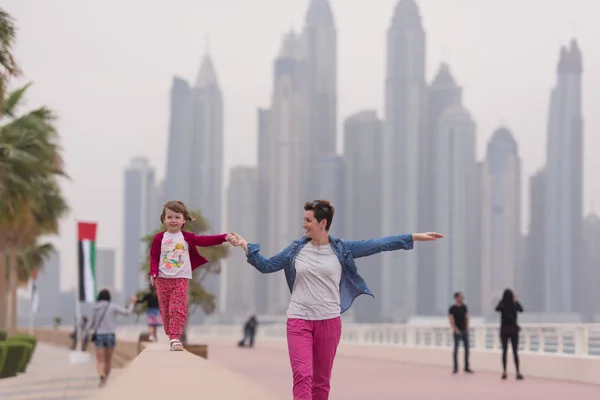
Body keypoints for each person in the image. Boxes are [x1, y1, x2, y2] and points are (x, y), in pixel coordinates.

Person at [228, 199, 443, 400]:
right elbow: (266, 266)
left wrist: (413, 237)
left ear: (323, 223)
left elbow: (378, 244)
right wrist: (247, 246)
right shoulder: (295, 249)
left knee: (321, 382)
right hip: (298, 320)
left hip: (329, 322)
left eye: (308, 220)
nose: (303, 225)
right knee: (303, 375)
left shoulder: (342, 249)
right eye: (304, 220)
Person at [149, 200, 229, 351]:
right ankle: (170, 333)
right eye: (170, 217)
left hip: (180, 279)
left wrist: (224, 237)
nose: (173, 220)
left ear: (184, 220)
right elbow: (154, 256)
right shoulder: (159, 238)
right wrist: (153, 272)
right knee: (166, 311)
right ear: (164, 219)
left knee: (177, 308)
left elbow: (204, 241)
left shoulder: (187, 237)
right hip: (162, 279)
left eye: (177, 217)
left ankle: (174, 338)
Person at [86, 289, 137, 387]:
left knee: (100, 360)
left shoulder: (94, 308)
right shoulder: (112, 307)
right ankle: (105, 379)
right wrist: (132, 303)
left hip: (99, 336)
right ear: (109, 297)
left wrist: (85, 334)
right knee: (108, 360)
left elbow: (90, 324)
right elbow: (127, 312)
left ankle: (101, 375)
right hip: (110, 335)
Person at [495, 288, 524, 380]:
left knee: (504, 351)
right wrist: (516, 300)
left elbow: (496, 309)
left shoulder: (502, 304)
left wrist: (501, 301)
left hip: (504, 330)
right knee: (515, 352)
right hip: (513, 330)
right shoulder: (514, 304)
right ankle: (518, 372)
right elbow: (521, 309)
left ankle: (504, 372)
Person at [449, 292, 473, 374]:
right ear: (456, 298)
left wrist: (467, 328)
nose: (462, 298)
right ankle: (455, 368)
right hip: (457, 331)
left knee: (467, 349)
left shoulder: (464, 307)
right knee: (456, 349)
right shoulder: (452, 308)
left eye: (462, 297)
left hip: (464, 331)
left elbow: (467, 317)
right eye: (460, 297)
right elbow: (451, 320)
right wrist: (455, 329)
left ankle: (466, 367)